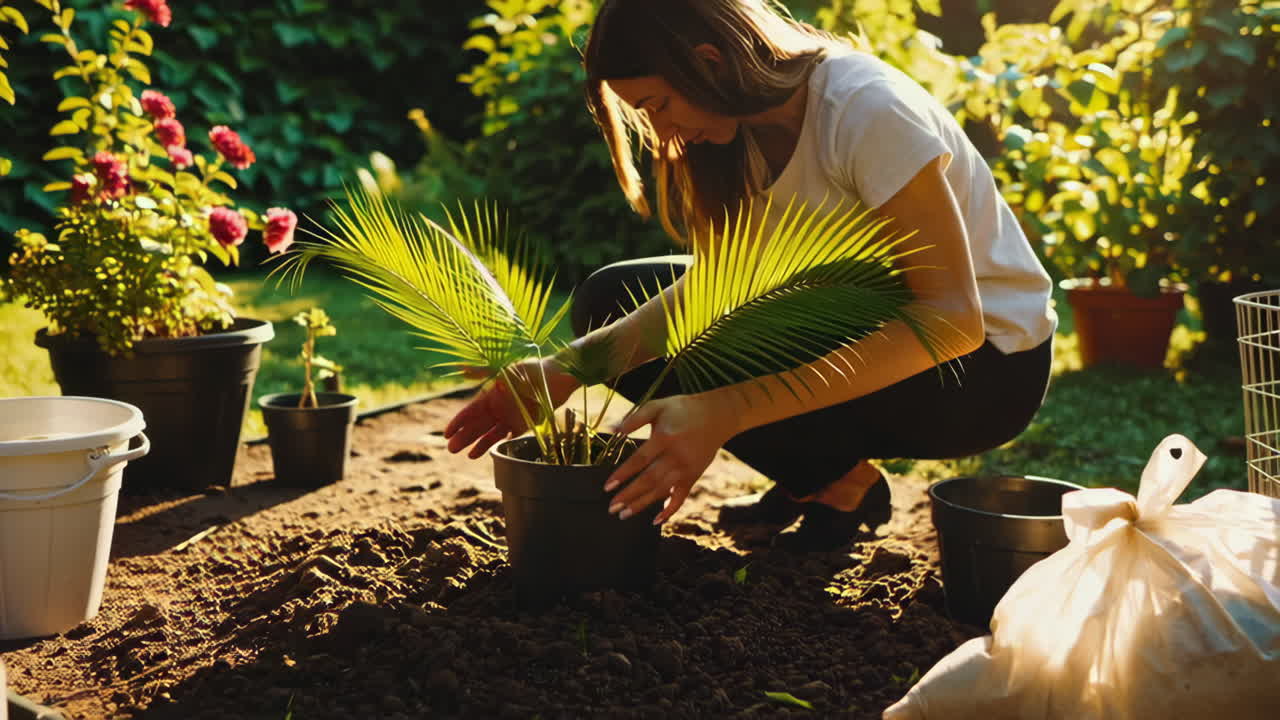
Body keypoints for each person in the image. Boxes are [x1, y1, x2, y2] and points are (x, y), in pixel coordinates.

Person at [444, 0, 1057, 552]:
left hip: (981, 373)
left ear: (709, 62)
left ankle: (823, 472)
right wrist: (564, 370)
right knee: (611, 300)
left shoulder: (864, 110)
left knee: (678, 355)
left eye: (658, 106)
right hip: (861, 323)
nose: (662, 135)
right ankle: (837, 482)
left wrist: (725, 411)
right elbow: (717, 291)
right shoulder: (740, 134)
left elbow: (950, 319)